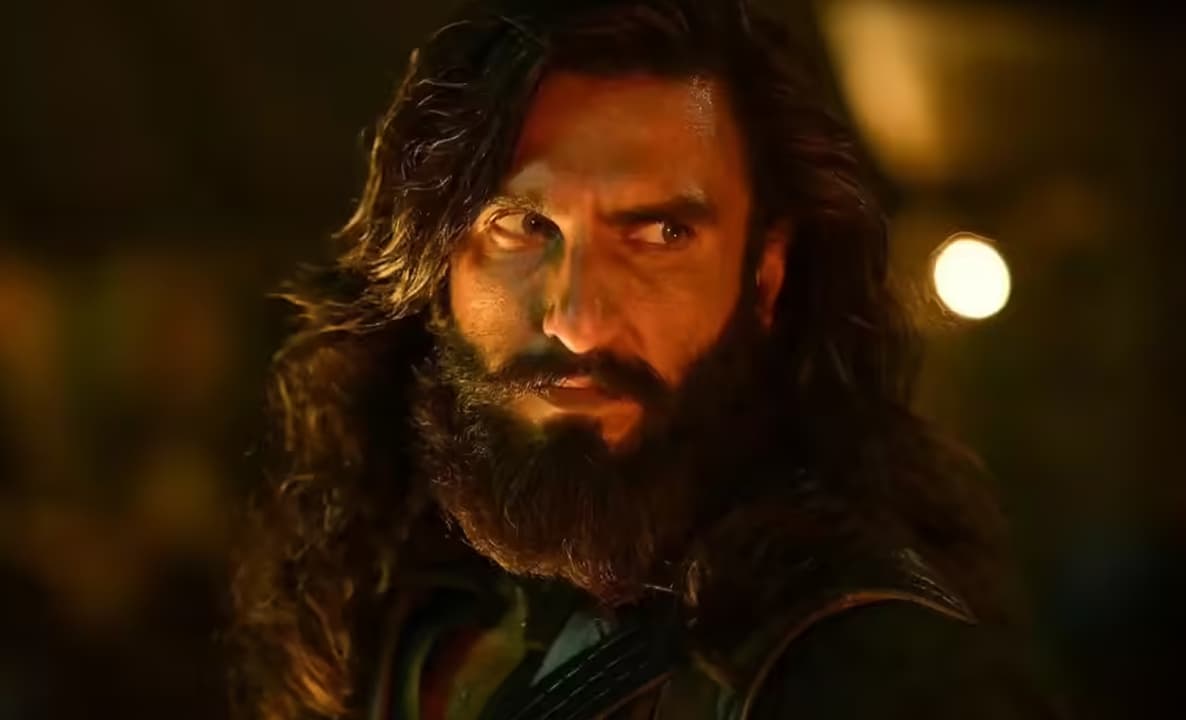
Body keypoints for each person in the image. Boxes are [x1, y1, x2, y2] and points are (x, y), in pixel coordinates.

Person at [230, 0, 1065, 717]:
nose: (576, 323)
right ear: (438, 261)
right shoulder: (391, 603)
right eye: (522, 226)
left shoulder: (880, 679)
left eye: (662, 233)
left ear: (764, 279)